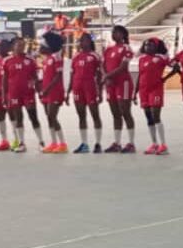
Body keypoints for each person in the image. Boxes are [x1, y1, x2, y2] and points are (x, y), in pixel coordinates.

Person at [2, 38, 43, 153]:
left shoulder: (30, 60)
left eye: (23, 45)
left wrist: (39, 92)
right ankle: (21, 143)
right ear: (13, 46)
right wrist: (5, 95)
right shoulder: (7, 61)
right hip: (14, 94)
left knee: (33, 116)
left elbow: (35, 77)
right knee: (18, 118)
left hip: (28, 93)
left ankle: (41, 142)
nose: (21, 47)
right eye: (19, 45)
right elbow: (4, 80)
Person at [102, 25, 136, 154]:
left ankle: (131, 143)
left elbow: (123, 67)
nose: (113, 34)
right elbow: (102, 65)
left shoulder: (126, 48)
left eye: (116, 32)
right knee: (115, 114)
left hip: (123, 83)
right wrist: (107, 77)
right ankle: (117, 143)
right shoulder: (108, 49)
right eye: (112, 32)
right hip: (111, 84)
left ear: (122, 34)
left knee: (125, 112)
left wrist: (106, 76)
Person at [134, 37, 171, 155]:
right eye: (145, 45)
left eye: (150, 45)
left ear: (156, 47)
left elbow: (175, 67)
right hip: (143, 91)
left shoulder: (161, 58)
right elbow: (140, 75)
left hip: (155, 90)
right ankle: (154, 144)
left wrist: (164, 79)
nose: (147, 47)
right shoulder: (142, 59)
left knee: (156, 116)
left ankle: (164, 145)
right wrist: (135, 92)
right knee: (148, 117)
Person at [69, 32, 103, 153]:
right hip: (77, 89)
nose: (84, 42)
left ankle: (98, 144)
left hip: (90, 88)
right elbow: (72, 74)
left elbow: (99, 75)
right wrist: (68, 91)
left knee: (95, 115)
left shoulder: (95, 56)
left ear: (90, 42)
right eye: (82, 40)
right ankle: (84, 144)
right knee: (81, 116)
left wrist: (100, 92)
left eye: (87, 40)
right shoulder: (76, 56)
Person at [38, 32, 68, 154]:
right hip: (46, 92)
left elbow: (57, 76)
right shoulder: (46, 60)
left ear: (48, 47)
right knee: (49, 117)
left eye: (42, 46)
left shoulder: (57, 57)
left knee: (52, 116)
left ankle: (63, 143)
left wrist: (46, 89)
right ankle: (53, 142)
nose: (40, 48)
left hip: (54, 91)